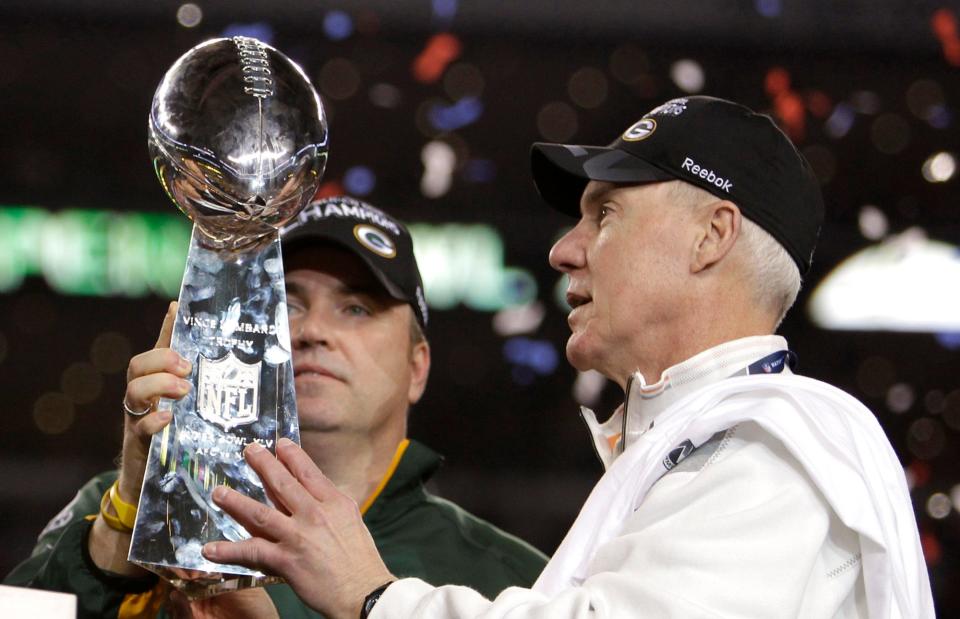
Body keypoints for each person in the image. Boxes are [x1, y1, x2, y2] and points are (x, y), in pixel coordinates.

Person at [200, 96, 935, 618]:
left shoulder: (780, 449)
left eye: (605, 214)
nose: (563, 250)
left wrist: (372, 594)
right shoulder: (698, 453)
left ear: (711, 237)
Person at [4, 196, 548, 617]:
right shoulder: (119, 505)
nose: (312, 332)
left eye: (356, 307)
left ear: (418, 366)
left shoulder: (514, 579)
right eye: (286, 303)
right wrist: (127, 518)